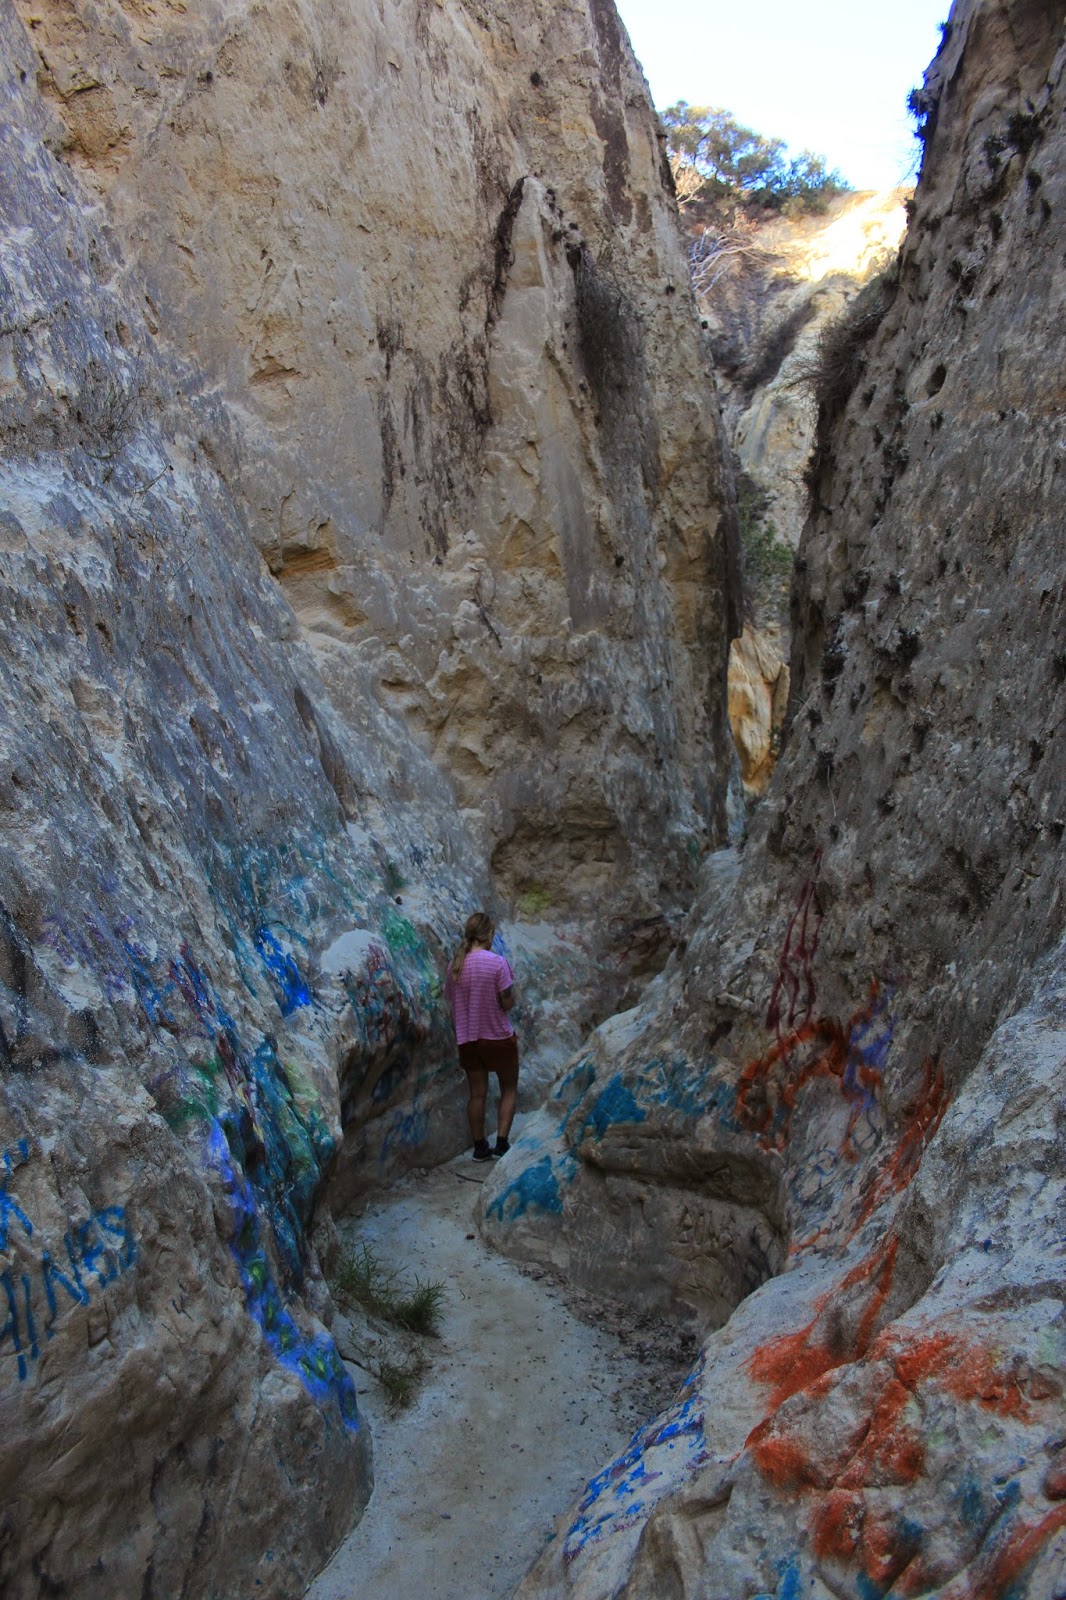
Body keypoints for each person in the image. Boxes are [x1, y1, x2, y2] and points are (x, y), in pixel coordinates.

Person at [444, 911, 518, 1161]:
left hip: (468, 1039)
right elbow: (507, 1003)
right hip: (497, 1036)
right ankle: (502, 1143)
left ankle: (479, 1147)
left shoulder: (454, 966)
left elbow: (451, 1000)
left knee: (477, 1093)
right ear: (489, 935)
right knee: (509, 1086)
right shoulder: (497, 963)